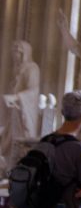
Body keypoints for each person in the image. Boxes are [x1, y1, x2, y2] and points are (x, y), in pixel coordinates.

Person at [1, 41, 40, 169]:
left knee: (22, 138)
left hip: (24, 110)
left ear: (24, 53)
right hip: (14, 111)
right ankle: (9, 167)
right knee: (10, 138)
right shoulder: (17, 69)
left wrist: (16, 97)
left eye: (17, 52)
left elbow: (33, 91)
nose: (14, 55)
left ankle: (19, 166)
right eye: (13, 52)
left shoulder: (32, 68)